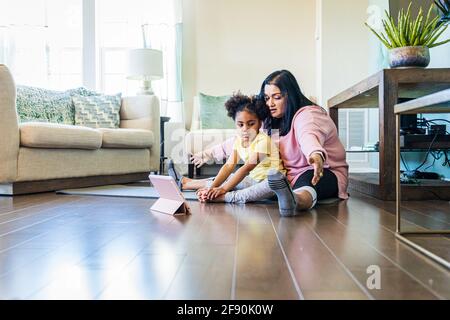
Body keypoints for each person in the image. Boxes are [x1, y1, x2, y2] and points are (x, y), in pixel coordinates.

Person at [189, 70, 349, 216]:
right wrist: (207, 153)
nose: (270, 103)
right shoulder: (268, 120)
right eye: (266, 98)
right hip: (282, 177)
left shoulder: (308, 115)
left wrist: (315, 155)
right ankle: (190, 183)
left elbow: (309, 136)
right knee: (240, 179)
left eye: (277, 97)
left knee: (308, 183)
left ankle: (295, 201)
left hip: (318, 171)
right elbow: (239, 140)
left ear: (290, 95)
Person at [168, 92, 286, 204]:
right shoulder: (239, 141)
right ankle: (208, 192)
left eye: (251, 124)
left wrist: (223, 189)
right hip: (253, 180)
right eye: (240, 124)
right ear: (235, 123)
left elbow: (246, 169)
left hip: (272, 183)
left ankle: (222, 197)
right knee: (231, 177)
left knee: (246, 192)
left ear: (260, 123)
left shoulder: (263, 141)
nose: (245, 129)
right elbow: (228, 166)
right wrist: (213, 187)